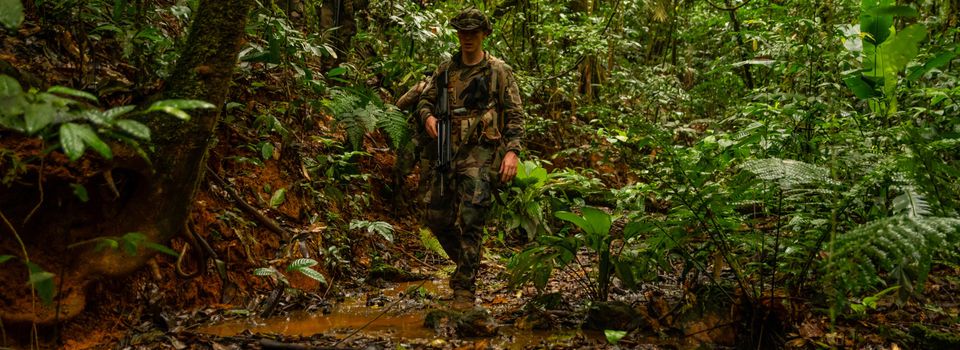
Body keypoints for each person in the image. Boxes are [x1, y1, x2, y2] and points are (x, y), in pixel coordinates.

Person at [417, 8, 524, 308]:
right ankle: (467, 263)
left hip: (482, 152)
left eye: (473, 33)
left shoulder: (498, 71)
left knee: (472, 218)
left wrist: (512, 152)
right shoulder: (446, 70)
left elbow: (515, 114)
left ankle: (465, 287)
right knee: (435, 216)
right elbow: (425, 101)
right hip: (447, 150)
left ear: (484, 34)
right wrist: (428, 118)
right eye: (463, 33)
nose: (467, 38)